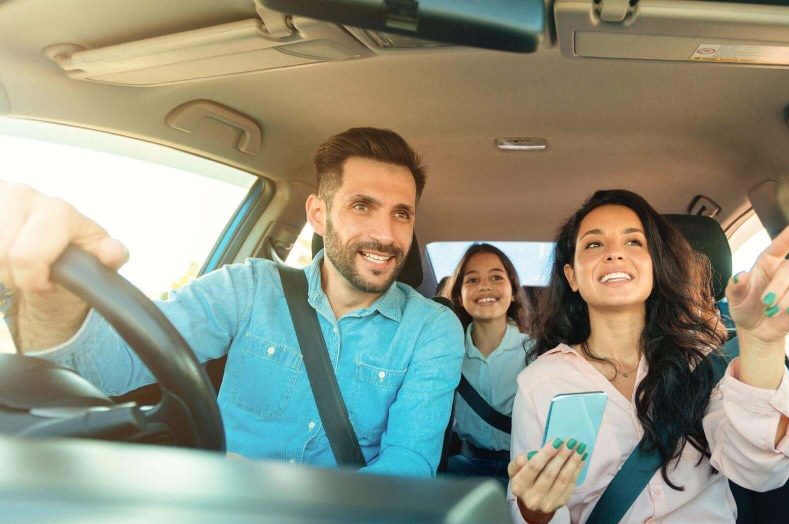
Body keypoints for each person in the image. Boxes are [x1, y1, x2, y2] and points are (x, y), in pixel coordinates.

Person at [0, 128, 464, 477]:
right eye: (362, 206)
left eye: (401, 214)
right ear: (319, 215)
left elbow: (409, 466)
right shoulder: (248, 289)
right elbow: (101, 370)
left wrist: (287, 506)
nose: (385, 234)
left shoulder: (431, 328)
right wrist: (50, 292)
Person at [506, 189, 789, 524]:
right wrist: (536, 512)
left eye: (633, 242)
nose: (614, 253)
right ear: (572, 277)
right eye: (594, 244)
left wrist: (761, 344)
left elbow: (761, 472)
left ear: (655, 265)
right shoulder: (540, 381)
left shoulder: (704, 360)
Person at [440, 243, 532, 482]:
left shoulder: (536, 353)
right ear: (459, 297)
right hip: (464, 465)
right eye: (472, 280)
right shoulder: (445, 354)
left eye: (496, 277)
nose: (485, 286)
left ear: (514, 291)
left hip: (522, 467)